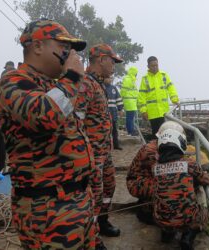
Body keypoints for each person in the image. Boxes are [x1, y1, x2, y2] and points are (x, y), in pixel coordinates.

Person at [0, 19, 99, 249]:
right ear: (37, 46)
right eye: (63, 46)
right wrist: (71, 79)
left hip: (77, 200)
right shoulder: (13, 81)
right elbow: (43, 117)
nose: (69, 53)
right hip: (47, 208)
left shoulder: (51, 84)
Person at [75, 43, 123, 249]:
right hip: (91, 154)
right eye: (112, 61)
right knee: (93, 195)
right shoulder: (85, 84)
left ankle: (102, 222)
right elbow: (75, 121)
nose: (114, 65)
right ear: (101, 59)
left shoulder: (99, 84)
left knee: (109, 187)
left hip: (104, 151)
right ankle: (92, 238)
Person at [126, 121, 209, 223]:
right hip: (138, 183)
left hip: (146, 180)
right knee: (171, 184)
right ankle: (149, 208)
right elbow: (169, 172)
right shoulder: (152, 152)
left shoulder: (161, 145)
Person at [153, 126, 209, 249]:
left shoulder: (155, 168)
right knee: (200, 190)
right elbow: (206, 181)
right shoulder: (189, 164)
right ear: (180, 144)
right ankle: (188, 236)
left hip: (161, 220)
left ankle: (167, 232)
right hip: (186, 220)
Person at [138, 56, 179, 138]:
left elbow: (171, 88)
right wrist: (143, 111)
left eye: (156, 65)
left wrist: (174, 99)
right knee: (156, 134)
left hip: (164, 111)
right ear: (148, 66)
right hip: (153, 113)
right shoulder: (145, 79)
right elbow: (142, 96)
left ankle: (165, 149)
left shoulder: (164, 76)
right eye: (153, 66)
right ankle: (156, 150)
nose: (155, 67)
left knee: (166, 133)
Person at [103, 77, 124, 150]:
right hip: (103, 114)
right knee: (105, 131)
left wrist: (120, 109)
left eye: (111, 78)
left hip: (113, 113)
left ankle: (116, 145)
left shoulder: (114, 88)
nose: (109, 79)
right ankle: (105, 146)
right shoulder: (100, 87)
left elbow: (118, 99)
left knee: (114, 131)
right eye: (108, 78)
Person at [120, 66, 139, 136]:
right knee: (130, 117)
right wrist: (121, 98)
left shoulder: (132, 79)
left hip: (132, 101)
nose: (137, 74)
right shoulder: (128, 79)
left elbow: (135, 91)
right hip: (129, 101)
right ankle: (130, 131)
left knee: (130, 117)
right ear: (133, 72)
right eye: (136, 73)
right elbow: (124, 90)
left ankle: (131, 130)